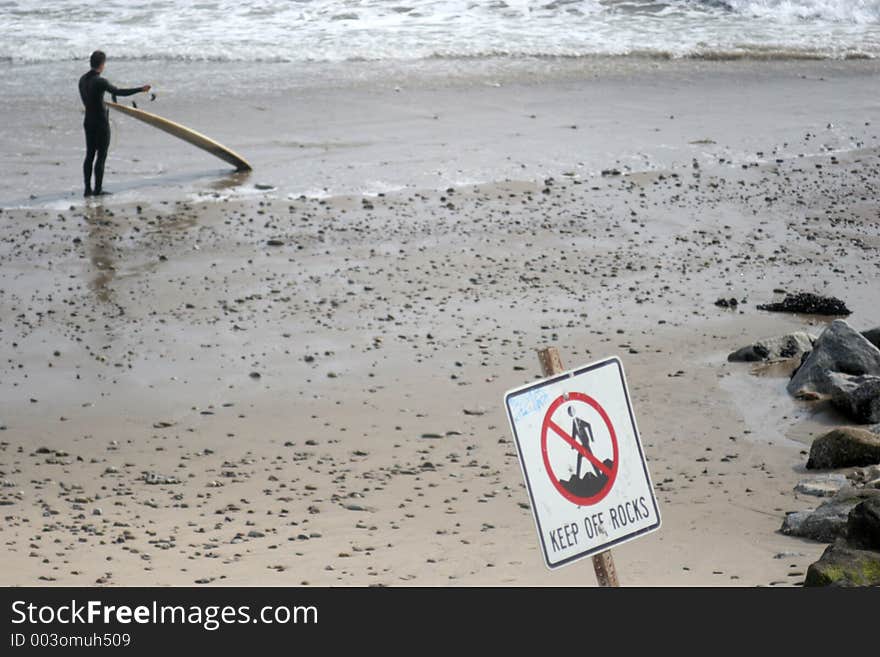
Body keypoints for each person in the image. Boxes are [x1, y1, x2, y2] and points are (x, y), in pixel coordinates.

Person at [78, 50, 151, 196]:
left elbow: (93, 99)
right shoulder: (100, 81)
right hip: (100, 123)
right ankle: (97, 190)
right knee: (101, 156)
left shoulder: (82, 80)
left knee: (89, 155)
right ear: (102, 64)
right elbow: (119, 92)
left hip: (88, 121)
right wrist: (140, 89)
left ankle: (87, 189)